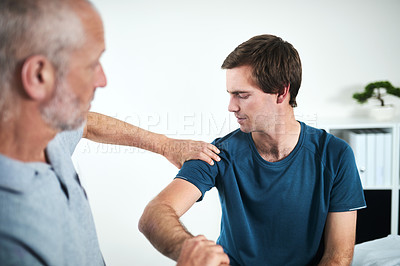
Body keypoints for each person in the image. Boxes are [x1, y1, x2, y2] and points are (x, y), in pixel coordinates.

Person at [0, 0, 223, 265]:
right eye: (92, 64)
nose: (102, 80)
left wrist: (165, 145)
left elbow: (87, 122)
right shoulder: (11, 236)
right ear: (38, 76)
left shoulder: (45, 131)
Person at [139, 34, 367, 265]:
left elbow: (338, 256)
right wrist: (188, 248)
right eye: (230, 94)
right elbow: (155, 214)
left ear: (281, 92)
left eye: (242, 95)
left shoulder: (335, 155)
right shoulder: (220, 153)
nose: (231, 106)